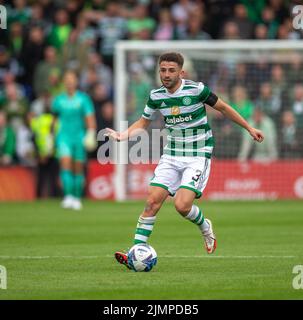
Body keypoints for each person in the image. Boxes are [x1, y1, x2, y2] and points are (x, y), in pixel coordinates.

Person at [105, 52, 264, 270]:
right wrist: (123, 136)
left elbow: (224, 108)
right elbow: (143, 123)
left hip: (198, 154)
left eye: (171, 70)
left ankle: (205, 226)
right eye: (163, 70)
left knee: (182, 205)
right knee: (152, 202)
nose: (166, 74)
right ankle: (136, 251)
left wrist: (249, 128)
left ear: (182, 72)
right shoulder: (156, 96)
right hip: (172, 154)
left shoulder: (197, 90)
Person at [51, 71, 97, 210]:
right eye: (67, 79)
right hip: (64, 136)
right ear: (64, 82)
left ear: (76, 82)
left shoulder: (83, 99)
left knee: (77, 168)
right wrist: (49, 136)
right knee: (65, 164)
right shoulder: (58, 100)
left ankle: (77, 197)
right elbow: (54, 119)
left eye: (72, 79)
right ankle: (68, 196)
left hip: (79, 137)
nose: (69, 82)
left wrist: (90, 133)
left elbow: (90, 118)